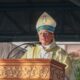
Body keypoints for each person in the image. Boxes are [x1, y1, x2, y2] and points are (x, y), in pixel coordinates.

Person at [8, 12, 72, 80]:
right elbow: (20, 68)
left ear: (52, 35)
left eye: (46, 33)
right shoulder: (31, 51)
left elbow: (67, 75)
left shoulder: (61, 54)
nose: (43, 36)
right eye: (40, 33)